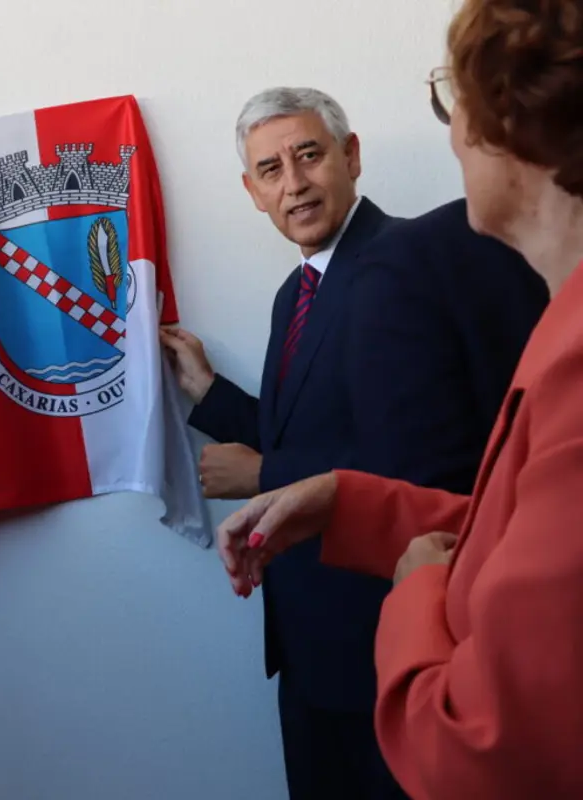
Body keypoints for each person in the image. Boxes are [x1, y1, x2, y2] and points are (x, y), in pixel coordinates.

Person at [215, 0, 583, 796]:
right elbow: (508, 510)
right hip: (315, 654)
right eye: (270, 170)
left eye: (456, 106)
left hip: (407, 661)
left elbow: (443, 470)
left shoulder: (417, 263)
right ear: (251, 191)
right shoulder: (290, 297)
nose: (451, 136)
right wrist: (213, 399)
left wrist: (416, 587)